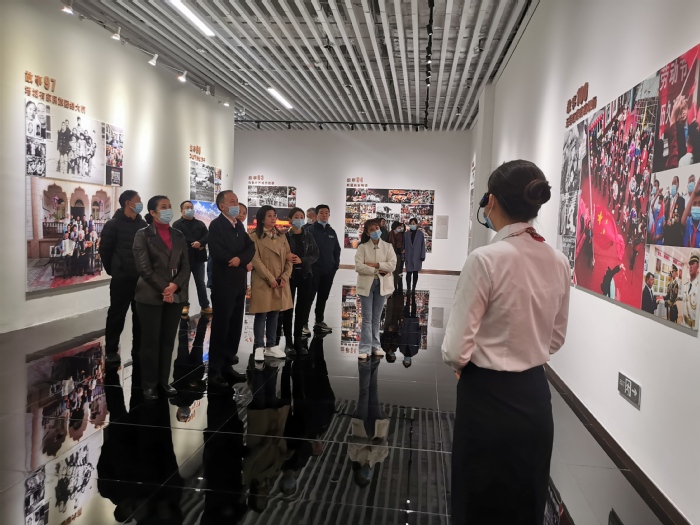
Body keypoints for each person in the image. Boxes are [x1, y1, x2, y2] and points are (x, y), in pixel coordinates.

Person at [442, 160, 570, 524]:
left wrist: (461, 365)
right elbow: (556, 338)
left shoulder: (484, 259)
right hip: (535, 394)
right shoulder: (559, 260)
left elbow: (455, 348)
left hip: (486, 396)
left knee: (479, 500)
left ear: (492, 201)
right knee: (526, 499)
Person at [133, 195, 191, 401]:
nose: (168, 210)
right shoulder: (142, 235)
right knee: (151, 341)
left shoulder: (178, 234)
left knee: (168, 340)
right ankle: (149, 384)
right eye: (163, 207)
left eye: (170, 206)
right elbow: (144, 268)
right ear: (153, 212)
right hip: (150, 294)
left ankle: (164, 381)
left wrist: (175, 286)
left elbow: (186, 266)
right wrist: (165, 289)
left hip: (175, 294)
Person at [207, 191, 255, 389]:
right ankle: (215, 371)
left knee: (235, 326)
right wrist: (234, 259)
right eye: (232, 202)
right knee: (221, 327)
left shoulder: (238, 225)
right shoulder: (216, 225)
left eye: (237, 201)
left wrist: (240, 259)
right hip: (223, 283)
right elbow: (217, 252)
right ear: (222, 206)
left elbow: (250, 247)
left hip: (239, 282)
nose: (236, 204)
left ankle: (228, 365)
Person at [99, 190, 148, 365]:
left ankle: (139, 347)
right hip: (122, 279)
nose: (140, 203)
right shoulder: (113, 224)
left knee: (140, 315)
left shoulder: (143, 224)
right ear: (128, 203)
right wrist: (114, 270)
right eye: (138, 200)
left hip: (140, 279)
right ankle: (111, 350)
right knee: (117, 315)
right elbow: (105, 250)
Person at [249, 206, 292, 361]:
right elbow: (255, 260)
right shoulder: (254, 236)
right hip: (263, 280)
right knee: (262, 314)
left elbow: (289, 258)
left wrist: (284, 277)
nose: (273, 218)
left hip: (280, 280)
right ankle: (259, 346)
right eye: (269, 216)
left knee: (275, 313)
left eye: (274, 215)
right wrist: (271, 279)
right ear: (261, 219)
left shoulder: (281, 235)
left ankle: (271, 345)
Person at [276, 208, 319, 355]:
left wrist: (303, 260)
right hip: (289, 276)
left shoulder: (309, 236)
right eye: (296, 217)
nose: (299, 219)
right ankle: (288, 342)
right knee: (288, 309)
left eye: (301, 216)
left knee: (302, 309)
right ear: (290, 219)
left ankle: (298, 340)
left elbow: (315, 254)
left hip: (305, 275)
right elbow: (279, 254)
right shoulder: (284, 236)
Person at [354, 219, 397, 360]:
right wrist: (378, 270)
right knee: (367, 318)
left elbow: (392, 265)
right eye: (371, 229)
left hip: (382, 285)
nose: (375, 231)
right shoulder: (362, 247)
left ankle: (375, 346)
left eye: (376, 228)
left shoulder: (388, 247)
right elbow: (359, 267)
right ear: (367, 233)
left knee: (377, 318)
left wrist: (376, 264)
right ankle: (364, 348)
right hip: (367, 284)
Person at [173, 201, 212, 317]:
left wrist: (201, 243)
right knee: (184, 282)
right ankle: (184, 305)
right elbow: (180, 238)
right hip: (184, 259)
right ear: (181, 210)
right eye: (187, 207)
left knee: (200, 283)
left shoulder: (200, 224)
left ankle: (205, 305)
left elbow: (207, 235)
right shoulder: (177, 224)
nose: (190, 209)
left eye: (191, 207)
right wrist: (195, 243)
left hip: (198, 258)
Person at [309, 205, 341, 333]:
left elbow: (337, 250)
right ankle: (304, 323)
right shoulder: (311, 230)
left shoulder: (331, 231)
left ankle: (319, 321)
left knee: (323, 297)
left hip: (328, 270)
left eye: (326, 213)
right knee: (309, 297)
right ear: (316, 215)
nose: (324, 215)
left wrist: (335, 265)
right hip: (314, 270)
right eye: (321, 213)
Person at [403, 218, 426, 295]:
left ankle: (413, 288)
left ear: (417, 224)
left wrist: (422, 256)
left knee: (415, 273)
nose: (412, 225)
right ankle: (408, 288)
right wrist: (403, 256)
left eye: (414, 223)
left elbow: (423, 246)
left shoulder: (420, 234)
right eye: (411, 223)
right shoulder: (406, 234)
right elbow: (403, 246)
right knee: (408, 273)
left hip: (417, 256)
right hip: (408, 256)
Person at [664, 175, 686, 246]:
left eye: (675, 183)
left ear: (678, 185)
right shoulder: (668, 200)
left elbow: (682, 216)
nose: (673, 184)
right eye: (672, 183)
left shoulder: (681, 200)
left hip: (676, 232)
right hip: (667, 231)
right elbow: (665, 214)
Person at [682, 251, 700, 329]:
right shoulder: (685, 286)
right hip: (684, 325)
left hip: (694, 329)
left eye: (693, 263)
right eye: (690, 264)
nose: (691, 266)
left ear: (698, 266)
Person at [681, 181, 700, 248]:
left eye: (699, 203)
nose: (697, 206)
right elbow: (682, 220)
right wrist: (694, 193)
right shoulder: (688, 222)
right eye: (694, 203)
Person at [388, 221, 405, 292]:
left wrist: (402, 250)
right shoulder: (389, 234)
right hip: (390, 256)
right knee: (390, 272)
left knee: (397, 272)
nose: (400, 228)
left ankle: (394, 286)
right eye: (399, 227)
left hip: (398, 255)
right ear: (395, 227)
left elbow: (401, 245)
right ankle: (390, 286)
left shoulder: (400, 235)